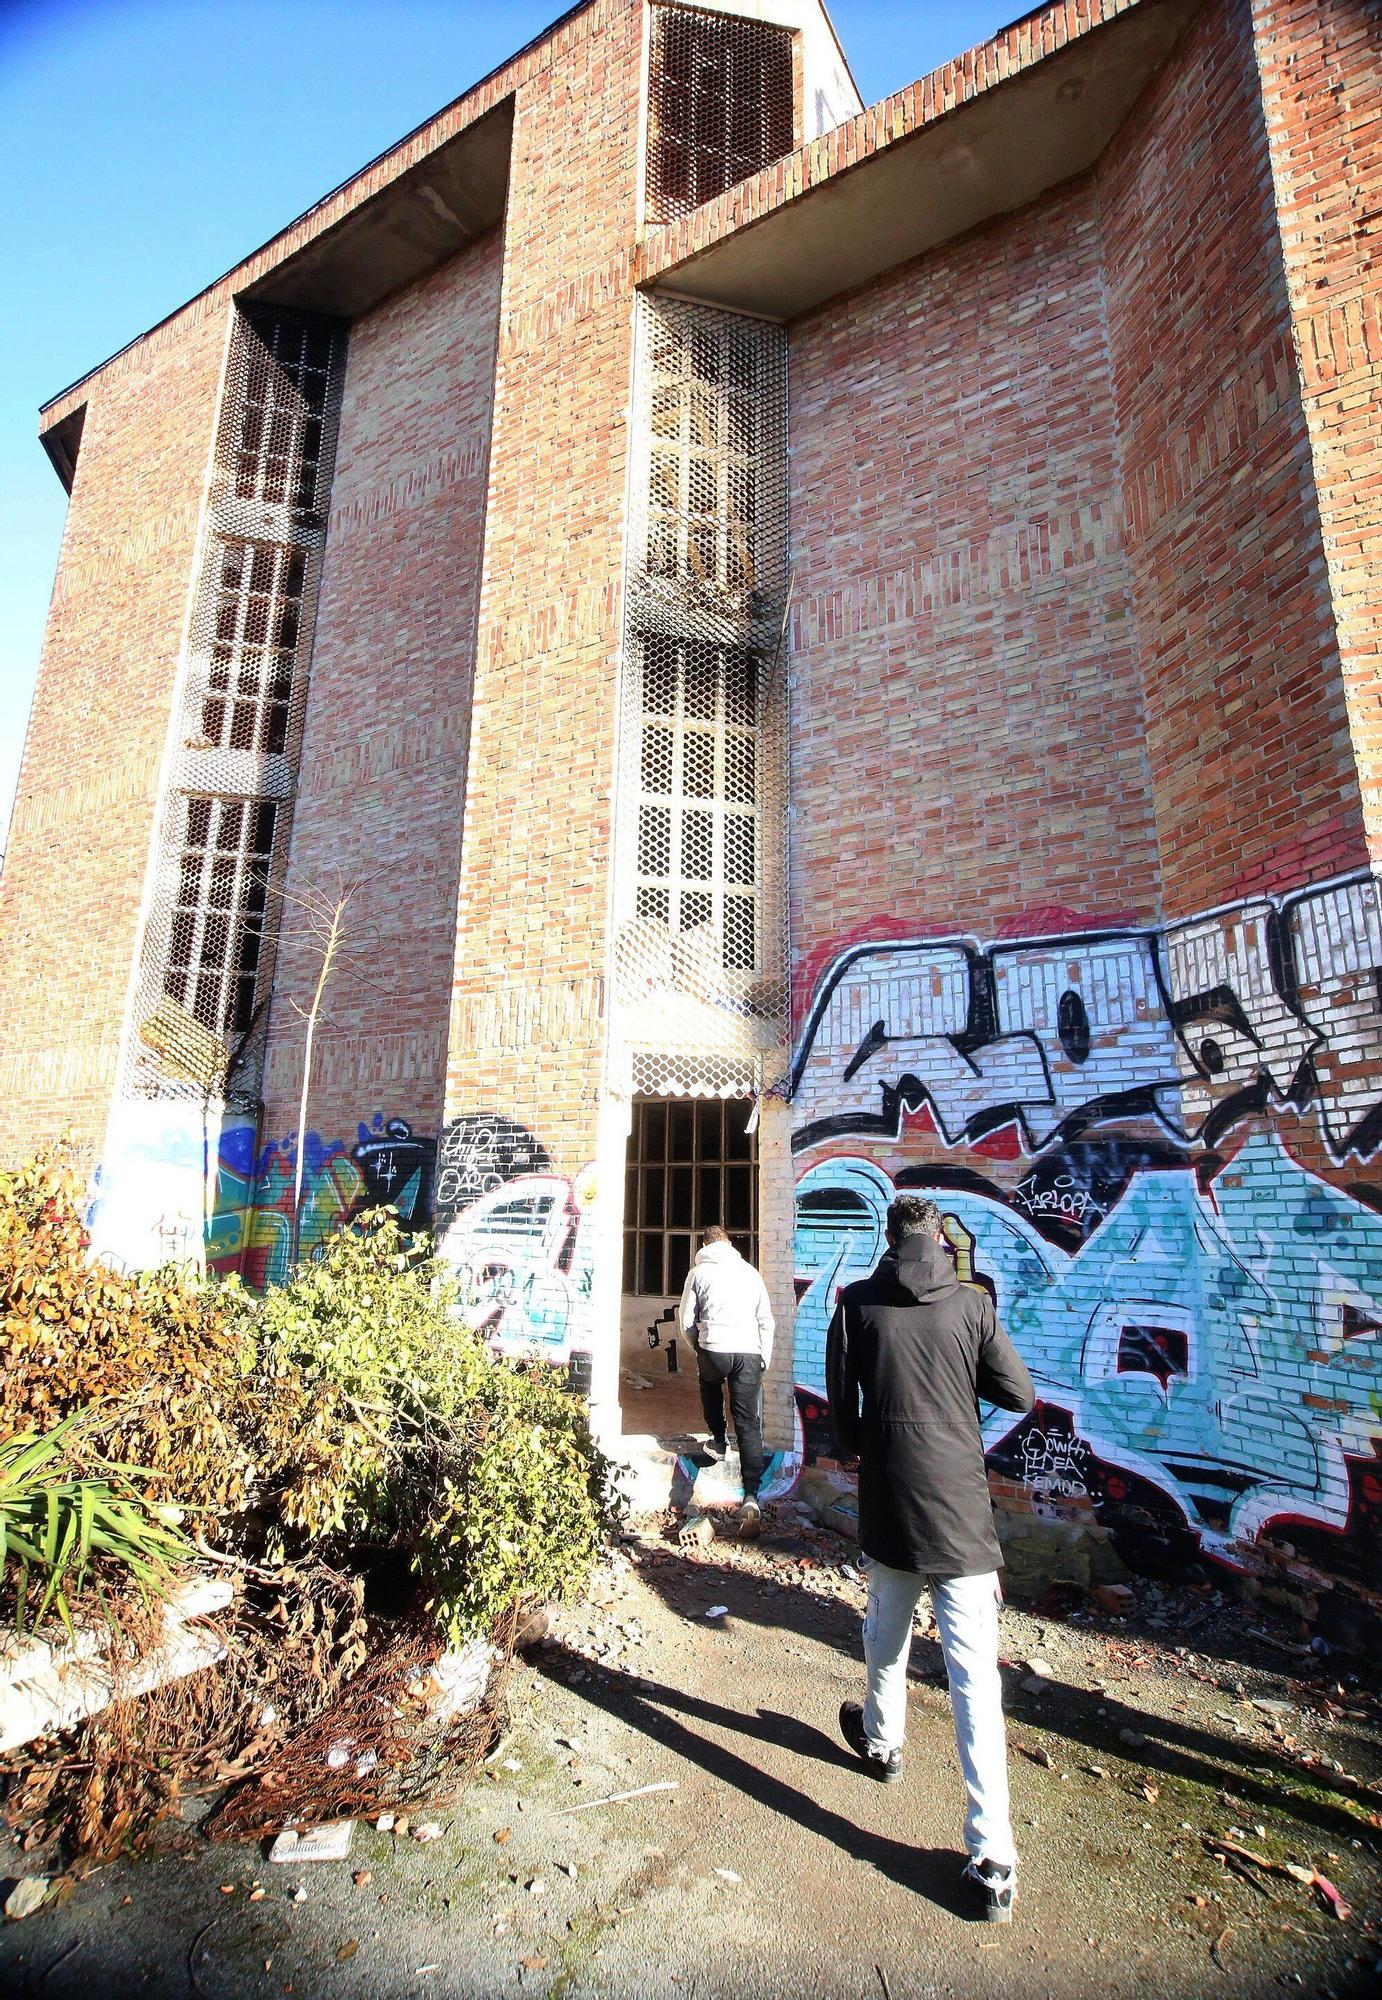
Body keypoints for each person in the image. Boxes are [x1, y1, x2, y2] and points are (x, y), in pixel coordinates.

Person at [826, 1193, 1035, 1923]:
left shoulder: (856, 1304)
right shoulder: (972, 1305)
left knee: (884, 1636)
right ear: (940, 1238)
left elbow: (842, 1414)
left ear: (889, 1238)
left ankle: (883, 1744)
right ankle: (993, 1859)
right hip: (961, 1516)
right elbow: (1018, 1393)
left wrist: (872, 1444)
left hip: (891, 1504)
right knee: (975, 1680)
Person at [678, 1225, 774, 1538]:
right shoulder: (751, 1273)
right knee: (748, 1422)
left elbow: (686, 1320)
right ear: (729, 1244)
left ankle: (719, 1440)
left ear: (704, 1245)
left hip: (714, 1348)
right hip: (749, 1353)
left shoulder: (698, 1273)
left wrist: (699, 1346)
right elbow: (766, 1320)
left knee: (709, 1387)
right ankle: (751, 1495)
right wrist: (764, 1357)